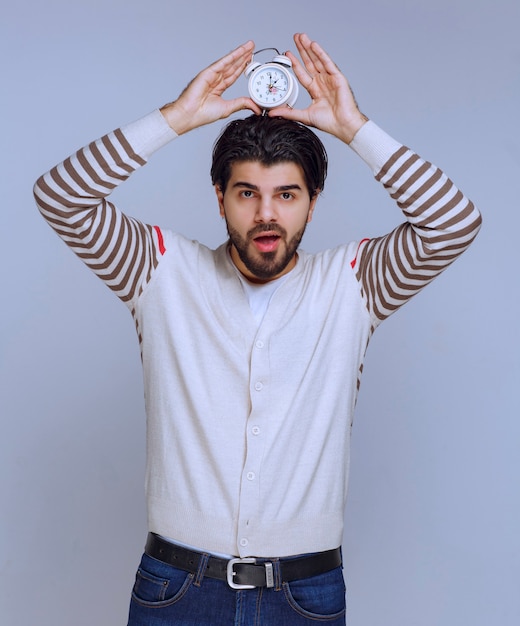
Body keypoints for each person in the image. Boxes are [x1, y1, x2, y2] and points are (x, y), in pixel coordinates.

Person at [34, 33, 481, 626]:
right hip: (177, 588)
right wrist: (175, 119)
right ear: (220, 198)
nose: (266, 214)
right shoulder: (159, 269)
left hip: (306, 592)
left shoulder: (356, 283)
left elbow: (453, 223)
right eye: (247, 193)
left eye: (286, 195)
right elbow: (61, 197)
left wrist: (354, 129)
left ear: (313, 202)